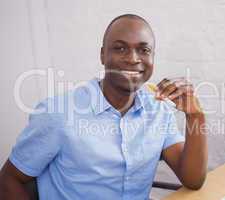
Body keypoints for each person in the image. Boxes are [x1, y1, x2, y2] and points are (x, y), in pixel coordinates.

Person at [0, 14, 207, 200]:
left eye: (143, 50)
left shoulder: (159, 109)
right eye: (120, 48)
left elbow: (193, 180)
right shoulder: (58, 113)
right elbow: (9, 180)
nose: (133, 59)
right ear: (102, 55)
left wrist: (196, 116)